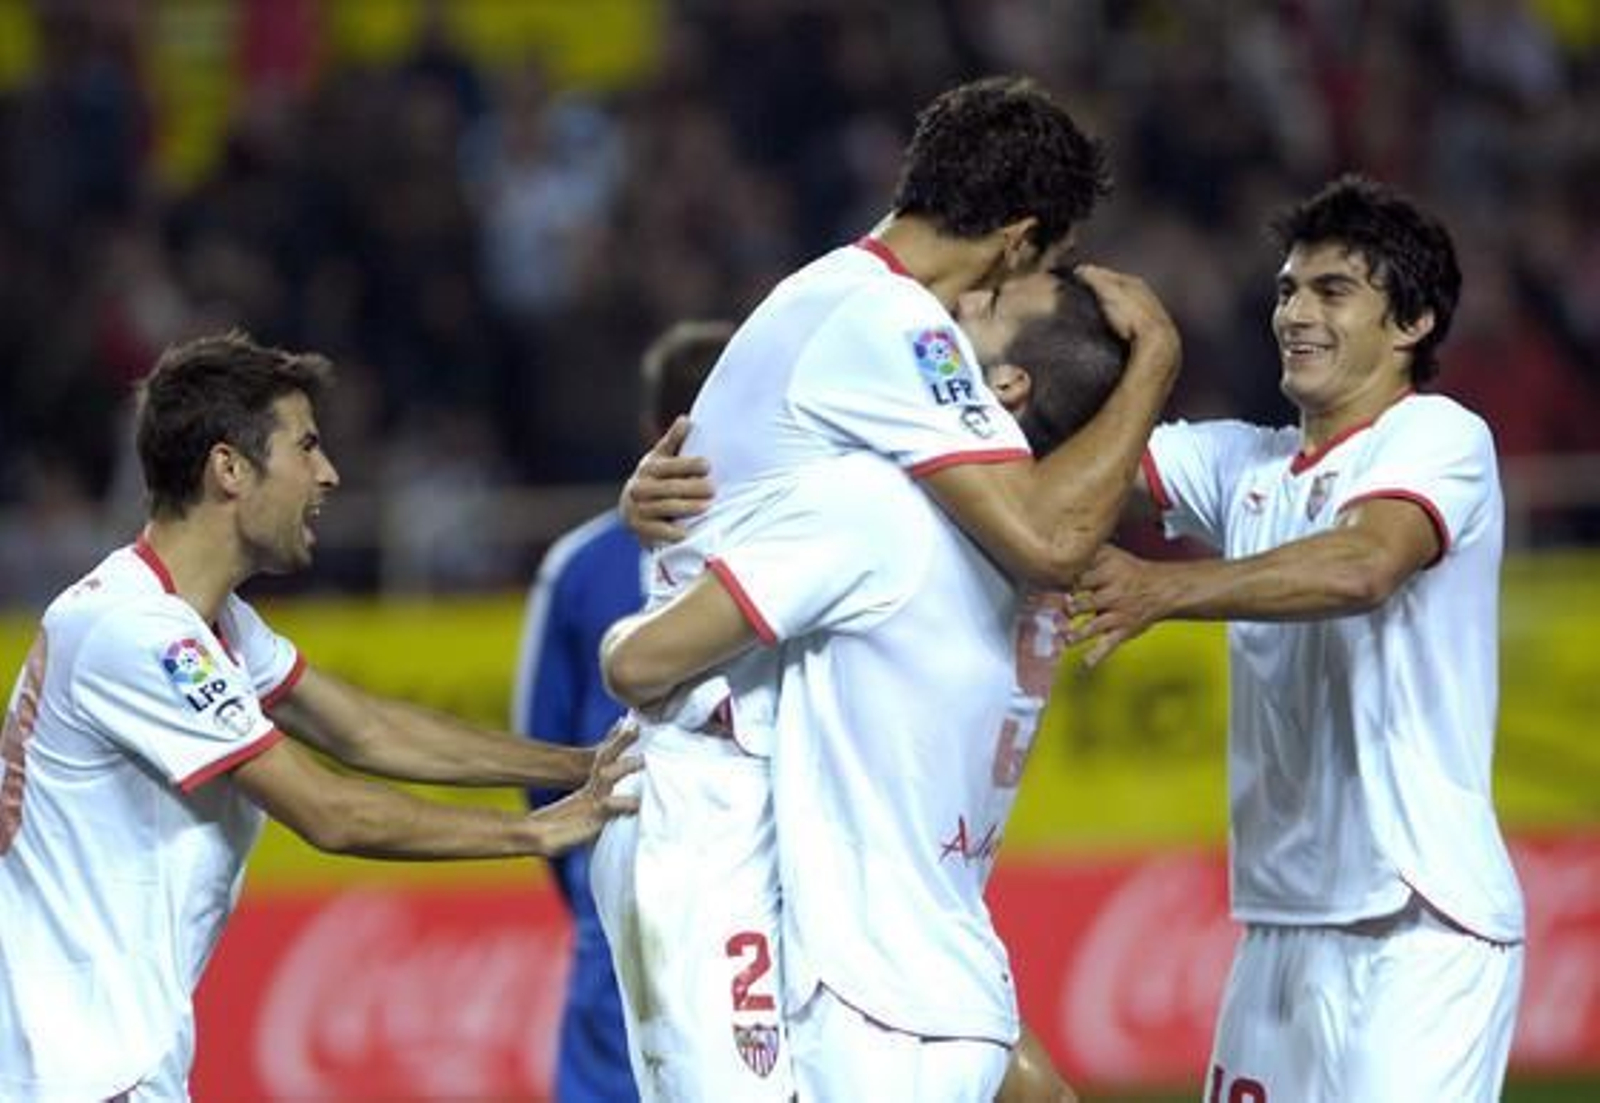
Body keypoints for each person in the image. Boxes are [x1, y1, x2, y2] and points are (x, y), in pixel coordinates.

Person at [0, 332, 639, 1102]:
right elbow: (329, 810)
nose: (329, 473)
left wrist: (583, 763)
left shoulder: (206, 621)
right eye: (305, 446)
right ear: (229, 468)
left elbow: (363, 731)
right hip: (70, 1074)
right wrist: (539, 828)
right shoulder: (139, 633)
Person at [599, 263, 1159, 1101]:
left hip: (875, 1012)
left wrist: (665, 556)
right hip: (966, 992)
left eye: (992, 303)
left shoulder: (878, 510)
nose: (961, 296)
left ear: (1003, 384)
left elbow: (635, 665)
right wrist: (1155, 363)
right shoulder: (1040, 562)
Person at [1066, 175, 1524, 1101]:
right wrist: (1136, 349)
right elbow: (1073, 459)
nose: (1296, 313)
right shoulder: (1248, 464)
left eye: (1332, 290)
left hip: (1418, 920)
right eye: (1286, 289)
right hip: (1281, 924)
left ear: (1413, 323)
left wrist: (1165, 587)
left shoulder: (1438, 437)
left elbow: (1364, 565)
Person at [510, 319, 733, 1103]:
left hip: (623, 865)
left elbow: (536, 741)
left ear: (650, 429)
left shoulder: (577, 565)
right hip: (746, 871)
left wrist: (579, 872)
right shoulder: (788, 545)